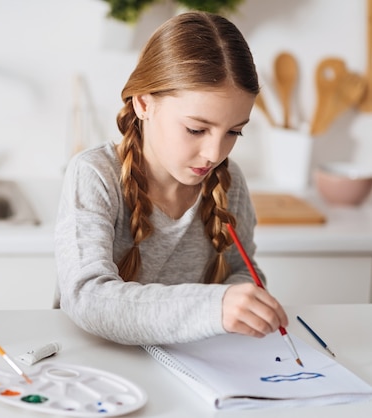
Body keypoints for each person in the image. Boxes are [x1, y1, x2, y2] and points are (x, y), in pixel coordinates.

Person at [54, 12, 289, 346]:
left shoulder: (228, 180)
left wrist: (245, 299)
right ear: (143, 104)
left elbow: (242, 272)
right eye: (196, 129)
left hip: (192, 366)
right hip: (96, 366)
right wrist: (214, 307)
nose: (214, 153)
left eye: (234, 131)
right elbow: (85, 297)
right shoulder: (95, 174)